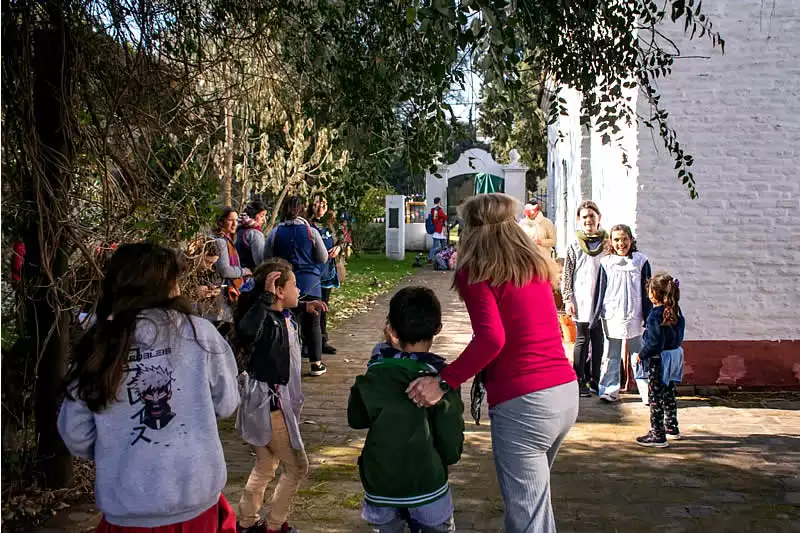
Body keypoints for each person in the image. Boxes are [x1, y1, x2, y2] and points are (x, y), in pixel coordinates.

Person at [407, 193, 578, 533]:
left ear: (471, 230)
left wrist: (444, 382)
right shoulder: (535, 264)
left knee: (527, 516)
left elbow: (492, 339)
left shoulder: (476, 271)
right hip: (564, 393)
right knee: (535, 507)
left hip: (524, 403)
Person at [58, 243, 240, 531]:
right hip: (196, 504)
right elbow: (227, 402)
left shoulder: (98, 344)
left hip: (126, 509)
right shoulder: (199, 333)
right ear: (167, 285)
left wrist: (118, 447)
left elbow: (76, 433)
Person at [348, 287, 464, 533]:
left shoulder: (376, 373)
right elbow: (450, 438)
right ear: (438, 329)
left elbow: (356, 418)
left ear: (392, 330)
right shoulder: (442, 382)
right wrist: (447, 458)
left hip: (380, 485)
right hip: (427, 485)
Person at [234, 259, 327, 533]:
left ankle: (246, 522)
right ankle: (273, 526)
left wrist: (302, 306)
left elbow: (280, 316)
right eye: (294, 286)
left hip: (267, 405)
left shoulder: (281, 316)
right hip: (271, 407)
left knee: (264, 466)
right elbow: (247, 330)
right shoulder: (263, 321)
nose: (299, 290)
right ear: (277, 291)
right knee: (297, 466)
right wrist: (264, 296)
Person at [265, 196, 329, 377]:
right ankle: (316, 363)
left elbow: (266, 256)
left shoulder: (276, 232)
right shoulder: (311, 231)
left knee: (285, 320)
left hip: (284, 283)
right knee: (313, 322)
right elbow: (323, 257)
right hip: (311, 282)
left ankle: (286, 360)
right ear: (303, 209)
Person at [592, 224, 653, 403]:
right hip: (612, 313)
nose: (621, 243)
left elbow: (646, 289)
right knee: (611, 353)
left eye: (624, 239)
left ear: (631, 240)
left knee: (638, 353)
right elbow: (600, 290)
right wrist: (595, 315)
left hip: (635, 313)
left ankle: (646, 390)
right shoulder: (606, 262)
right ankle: (609, 389)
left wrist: (649, 317)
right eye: (617, 239)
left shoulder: (641, 261)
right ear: (611, 241)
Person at [561, 201, 608, 397]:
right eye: (585, 217)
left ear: (599, 218)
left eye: (592, 216)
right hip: (581, 297)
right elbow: (568, 273)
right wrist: (568, 298)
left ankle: (595, 379)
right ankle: (579, 380)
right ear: (579, 220)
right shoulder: (574, 245)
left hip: (602, 298)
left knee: (598, 339)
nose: (589, 220)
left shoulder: (607, 244)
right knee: (582, 339)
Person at [636, 272, 685, 447]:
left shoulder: (656, 315)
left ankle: (657, 433)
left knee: (655, 396)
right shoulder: (675, 311)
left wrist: (642, 354)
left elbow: (655, 342)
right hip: (673, 357)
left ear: (654, 294)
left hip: (658, 360)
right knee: (669, 391)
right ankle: (671, 427)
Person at [309, 193, 340, 355]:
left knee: (324, 307)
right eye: (316, 205)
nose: (320, 209)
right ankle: (311, 343)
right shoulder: (307, 225)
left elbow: (341, 240)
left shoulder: (329, 225)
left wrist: (338, 248)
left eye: (323, 205)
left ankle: (323, 340)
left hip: (328, 272)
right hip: (313, 274)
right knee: (313, 308)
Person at [213, 207, 253, 316]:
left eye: (236, 220)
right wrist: (244, 271)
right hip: (222, 294)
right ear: (221, 222)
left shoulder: (227, 240)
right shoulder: (220, 242)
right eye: (231, 220)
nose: (235, 224)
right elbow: (225, 271)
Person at [236, 200, 269, 270]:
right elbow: (260, 262)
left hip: (239, 273)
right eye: (262, 215)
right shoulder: (255, 234)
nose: (264, 220)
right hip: (251, 274)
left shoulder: (238, 230)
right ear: (253, 214)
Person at [428, 197, 448, 263]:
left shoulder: (434, 209)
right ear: (439, 202)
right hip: (440, 230)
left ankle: (431, 258)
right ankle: (443, 258)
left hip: (438, 230)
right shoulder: (438, 209)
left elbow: (435, 219)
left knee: (436, 246)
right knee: (443, 246)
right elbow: (444, 216)